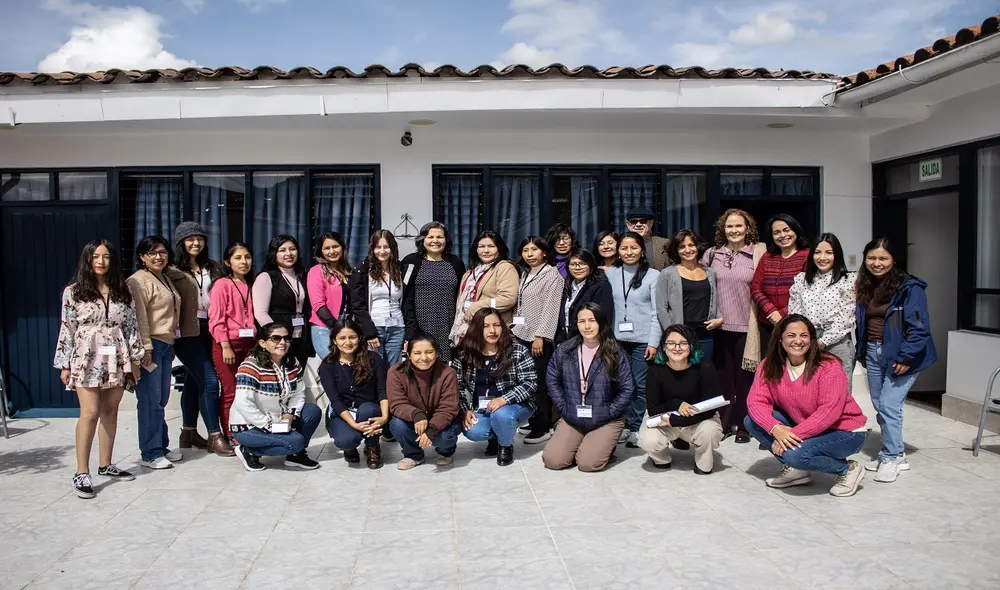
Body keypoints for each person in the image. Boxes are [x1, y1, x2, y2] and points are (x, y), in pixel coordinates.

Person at [55, 240, 144, 498]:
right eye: (95, 256)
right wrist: (64, 363)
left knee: (110, 411)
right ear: (87, 259)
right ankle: (81, 471)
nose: (100, 261)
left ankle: (106, 464)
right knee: (90, 412)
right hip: (86, 357)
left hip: (117, 355)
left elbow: (131, 325)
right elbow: (67, 328)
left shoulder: (123, 290)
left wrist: (135, 358)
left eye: (105, 257)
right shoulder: (73, 292)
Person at [745, 315, 868, 498]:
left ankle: (847, 469)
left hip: (845, 431)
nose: (798, 341)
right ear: (780, 339)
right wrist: (775, 428)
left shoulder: (828, 366)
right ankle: (797, 471)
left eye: (804, 335)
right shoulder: (768, 365)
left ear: (811, 339)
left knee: (794, 454)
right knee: (752, 421)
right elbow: (756, 402)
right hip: (809, 426)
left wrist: (790, 435)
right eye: (791, 335)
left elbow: (829, 412)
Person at [855, 237, 937, 483]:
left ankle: (891, 457)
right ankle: (895, 452)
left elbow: (919, 329)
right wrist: (863, 352)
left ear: (894, 260)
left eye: (883, 258)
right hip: (873, 352)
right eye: (871, 258)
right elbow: (862, 323)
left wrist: (906, 356)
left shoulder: (910, 288)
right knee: (880, 404)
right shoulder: (865, 286)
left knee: (889, 405)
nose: (876, 263)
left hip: (901, 356)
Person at [543, 303, 636, 472]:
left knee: (588, 464)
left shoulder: (615, 352)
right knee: (553, 460)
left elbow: (628, 389)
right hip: (573, 416)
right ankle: (582, 443)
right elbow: (552, 379)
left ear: (601, 322)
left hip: (605, 418)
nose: (587, 326)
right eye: (582, 321)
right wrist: (563, 406)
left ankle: (601, 446)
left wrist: (610, 411)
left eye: (592, 321)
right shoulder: (566, 350)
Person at [701, 208, 767, 443]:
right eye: (729, 226)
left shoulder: (758, 254)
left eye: (739, 225)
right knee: (723, 379)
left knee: (746, 379)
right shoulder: (711, 254)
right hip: (718, 327)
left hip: (747, 327)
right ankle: (725, 422)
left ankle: (744, 424)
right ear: (723, 229)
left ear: (747, 228)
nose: (734, 230)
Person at [167, 222, 226, 455]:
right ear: (181, 242)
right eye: (190, 239)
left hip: (211, 328)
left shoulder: (213, 267)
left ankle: (188, 432)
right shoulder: (172, 270)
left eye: (200, 238)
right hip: (186, 332)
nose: (196, 243)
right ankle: (215, 435)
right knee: (210, 380)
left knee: (194, 379)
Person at [230, 322, 322, 472]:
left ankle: (295, 456)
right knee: (296, 442)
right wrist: (270, 426)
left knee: (312, 411)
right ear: (262, 343)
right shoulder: (250, 366)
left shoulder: (292, 362)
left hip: (278, 418)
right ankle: (249, 450)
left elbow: (299, 393)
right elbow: (243, 403)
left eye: (286, 338)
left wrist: (290, 414)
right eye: (276, 338)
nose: (282, 342)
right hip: (249, 426)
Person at [126, 235, 183, 470]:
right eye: (152, 253)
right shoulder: (137, 281)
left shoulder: (164, 277)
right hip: (151, 345)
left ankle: (161, 446)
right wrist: (146, 348)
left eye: (162, 252)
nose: (158, 257)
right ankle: (150, 452)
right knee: (150, 400)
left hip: (166, 343)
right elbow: (139, 317)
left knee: (161, 399)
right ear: (142, 257)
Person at [454, 309, 537, 466]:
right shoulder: (465, 354)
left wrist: (504, 399)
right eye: (486, 326)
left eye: (496, 325)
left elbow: (530, 383)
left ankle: (505, 446)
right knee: (473, 431)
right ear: (476, 328)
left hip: (516, 404)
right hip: (482, 408)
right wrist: (465, 410)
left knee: (501, 415)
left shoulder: (517, 350)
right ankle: (498, 436)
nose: (492, 330)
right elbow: (457, 387)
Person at [638, 324, 724, 473]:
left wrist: (677, 421)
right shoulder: (655, 371)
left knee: (710, 431)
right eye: (671, 343)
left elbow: (710, 410)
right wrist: (676, 404)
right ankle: (661, 458)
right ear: (664, 346)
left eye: (683, 343)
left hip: (698, 419)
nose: (677, 348)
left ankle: (703, 461)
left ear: (691, 345)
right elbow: (653, 410)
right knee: (648, 439)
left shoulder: (705, 367)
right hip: (665, 418)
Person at [604, 231, 660, 448]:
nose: (629, 252)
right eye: (624, 248)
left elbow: (656, 312)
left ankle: (636, 426)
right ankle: (623, 424)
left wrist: (653, 342)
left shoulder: (653, 275)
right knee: (618, 383)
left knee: (639, 384)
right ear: (618, 251)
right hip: (616, 339)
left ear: (642, 250)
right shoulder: (610, 274)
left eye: (634, 248)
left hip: (643, 339)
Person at [513, 236, 564, 444]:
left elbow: (551, 309)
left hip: (538, 338)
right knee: (526, 380)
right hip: (522, 333)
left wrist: (540, 336)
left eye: (534, 250)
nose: (529, 254)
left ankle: (544, 427)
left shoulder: (552, 275)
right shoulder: (526, 272)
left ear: (544, 252)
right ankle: (534, 420)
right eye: (525, 250)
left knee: (540, 382)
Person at [319, 319, 389, 469]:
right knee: (346, 440)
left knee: (368, 409)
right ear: (334, 340)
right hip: (343, 412)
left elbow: (382, 391)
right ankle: (350, 447)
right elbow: (335, 400)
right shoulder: (328, 365)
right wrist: (354, 425)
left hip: (369, 409)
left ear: (359, 338)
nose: (348, 342)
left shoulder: (373, 358)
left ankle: (372, 446)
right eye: (342, 338)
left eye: (352, 337)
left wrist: (384, 417)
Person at [788, 233, 856, 387]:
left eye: (829, 253)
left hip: (837, 343)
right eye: (817, 252)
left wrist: (823, 342)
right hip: (806, 341)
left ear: (837, 255)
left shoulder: (848, 281)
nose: (822, 257)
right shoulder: (801, 280)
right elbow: (795, 314)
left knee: (839, 389)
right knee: (809, 388)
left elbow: (846, 319)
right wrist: (804, 339)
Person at [387, 335, 463, 469]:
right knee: (397, 424)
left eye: (429, 352)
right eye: (417, 353)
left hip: (441, 420)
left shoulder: (447, 372)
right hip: (414, 419)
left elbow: (449, 407)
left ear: (437, 353)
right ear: (408, 355)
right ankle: (413, 455)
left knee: (444, 438)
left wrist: (432, 429)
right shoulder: (396, 372)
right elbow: (396, 403)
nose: (424, 357)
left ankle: (445, 452)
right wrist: (416, 414)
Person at [208, 241, 255, 452]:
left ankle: (247, 431)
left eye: (247, 257)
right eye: (238, 258)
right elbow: (216, 319)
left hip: (249, 344)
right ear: (227, 262)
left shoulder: (251, 284)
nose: (244, 262)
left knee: (247, 391)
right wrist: (225, 345)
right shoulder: (222, 284)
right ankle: (231, 434)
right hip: (227, 344)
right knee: (230, 391)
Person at [401, 222, 466, 362]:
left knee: (446, 367)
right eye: (430, 237)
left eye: (440, 237)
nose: (435, 241)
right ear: (422, 239)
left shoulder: (455, 262)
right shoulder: (411, 261)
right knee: (422, 363)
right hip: (419, 327)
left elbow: (462, 295)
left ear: (446, 240)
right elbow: (406, 298)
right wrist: (410, 331)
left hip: (448, 328)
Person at [656, 229, 724, 360]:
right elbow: (661, 307)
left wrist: (719, 318)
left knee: (705, 369)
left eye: (691, 245)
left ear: (697, 246)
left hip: (706, 334)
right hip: (680, 336)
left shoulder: (710, 272)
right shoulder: (667, 273)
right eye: (682, 247)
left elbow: (715, 299)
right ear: (676, 250)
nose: (687, 250)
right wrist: (672, 332)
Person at [751, 213, 810, 353]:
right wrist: (771, 311)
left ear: (795, 230)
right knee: (769, 362)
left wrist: (783, 313)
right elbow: (755, 288)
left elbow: (808, 292)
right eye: (776, 232)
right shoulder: (767, 257)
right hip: (768, 323)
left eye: (786, 230)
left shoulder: (807, 256)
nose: (782, 235)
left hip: (796, 325)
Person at [449, 230, 518, 346]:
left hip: (492, 333)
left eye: (491, 246)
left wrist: (477, 307)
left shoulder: (504, 268)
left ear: (499, 248)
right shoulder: (470, 272)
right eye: (481, 246)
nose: (486, 250)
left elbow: (508, 298)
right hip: (470, 331)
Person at [253, 234, 313, 367]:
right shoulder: (266, 277)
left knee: (297, 375)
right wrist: (277, 336)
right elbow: (260, 313)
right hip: (278, 341)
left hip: (301, 338)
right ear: (274, 254)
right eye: (282, 250)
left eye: (292, 249)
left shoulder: (303, 276)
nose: (288, 254)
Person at [350, 229, 405, 366]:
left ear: (393, 248)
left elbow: (407, 302)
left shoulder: (401, 270)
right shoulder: (362, 270)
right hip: (374, 327)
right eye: (378, 247)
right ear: (372, 249)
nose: (382, 251)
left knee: (394, 369)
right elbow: (357, 305)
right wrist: (369, 332)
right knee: (374, 368)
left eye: (386, 247)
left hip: (397, 328)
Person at [555, 250, 615, 346]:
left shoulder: (600, 286)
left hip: (589, 343)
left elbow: (603, 318)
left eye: (582, 264)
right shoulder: (567, 285)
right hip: (567, 342)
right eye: (573, 264)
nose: (577, 268)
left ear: (591, 265)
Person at [307, 232, 351, 360]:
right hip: (324, 327)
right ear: (321, 251)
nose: (332, 251)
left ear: (342, 248)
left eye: (335, 246)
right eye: (327, 248)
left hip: (346, 327)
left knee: (347, 365)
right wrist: (336, 326)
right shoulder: (316, 271)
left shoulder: (348, 271)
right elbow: (318, 304)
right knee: (333, 364)